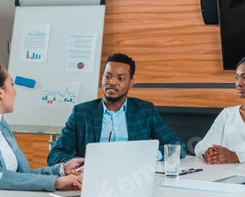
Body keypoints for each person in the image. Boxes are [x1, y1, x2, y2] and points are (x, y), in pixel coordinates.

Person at [0, 61, 84, 192]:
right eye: (12, 84)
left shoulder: (2, 126)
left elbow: (23, 176)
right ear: (0, 92)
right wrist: (55, 182)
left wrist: (61, 170)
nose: (14, 91)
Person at [47, 53, 187, 166]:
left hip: (132, 177)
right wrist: (83, 163)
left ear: (131, 83)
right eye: (107, 76)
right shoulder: (81, 113)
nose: (112, 82)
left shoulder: (145, 111)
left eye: (120, 78)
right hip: (93, 176)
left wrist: (149, 156)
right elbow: (55, 155)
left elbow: (177, 146)